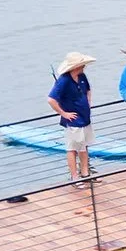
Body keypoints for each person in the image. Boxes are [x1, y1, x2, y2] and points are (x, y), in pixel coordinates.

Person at [46, 51, 96, 183]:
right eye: (81, 65)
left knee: (83, 146)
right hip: (73, 120)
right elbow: (51, 99)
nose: (83, 67)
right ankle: (75, 177)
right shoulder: (64, 80)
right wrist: (64, 113)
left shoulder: (82, 76)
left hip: (85, 118)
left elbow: (88, 90)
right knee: (72, 148)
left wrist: (88, 103)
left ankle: (85, 173)